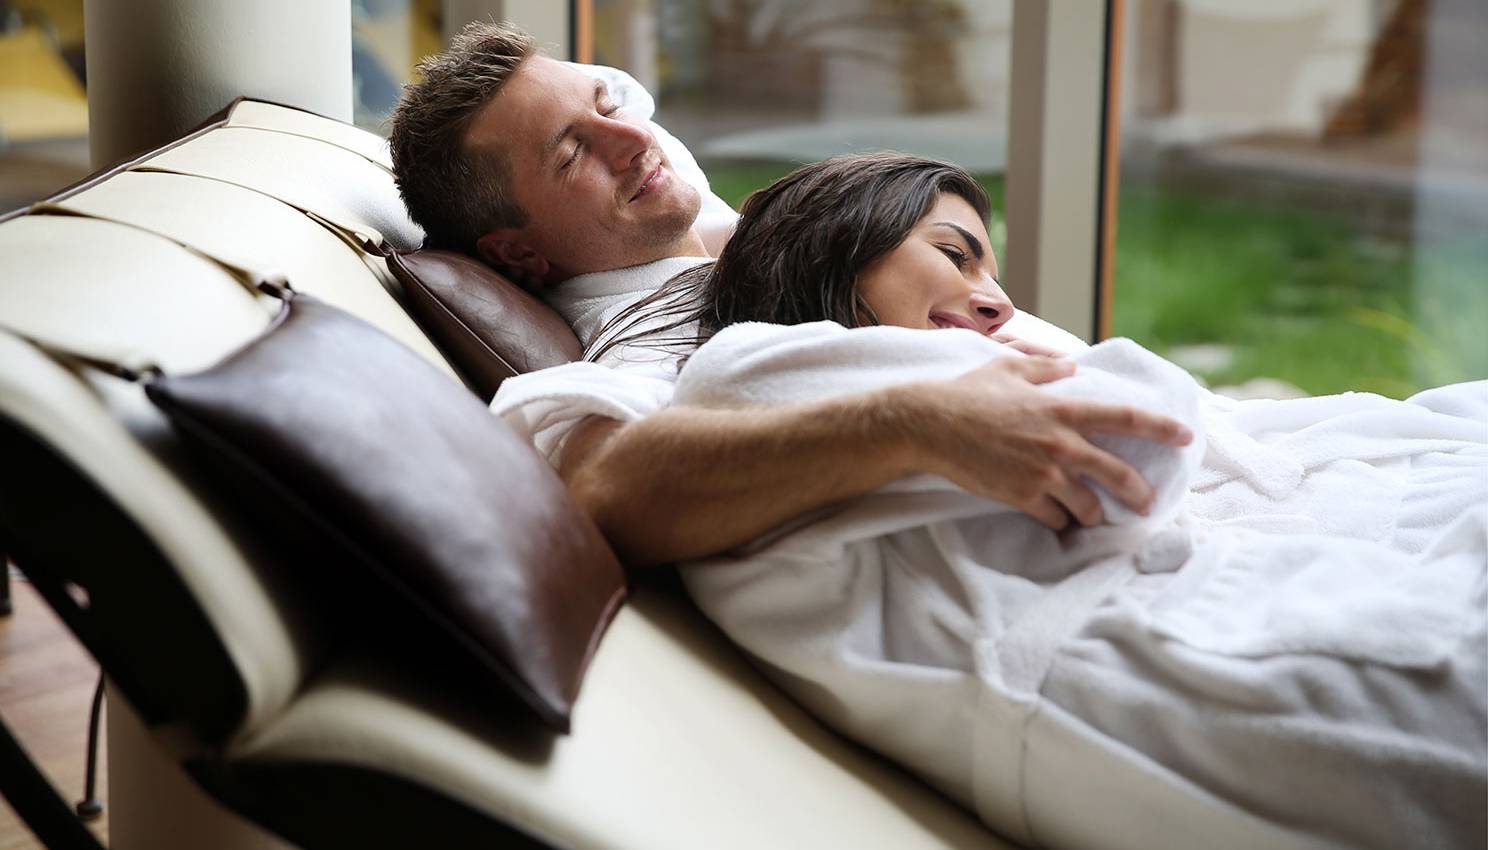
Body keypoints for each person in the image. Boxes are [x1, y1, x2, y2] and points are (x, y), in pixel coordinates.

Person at [598, 151, 1485, 850]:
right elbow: (1133, 442)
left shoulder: (821, 399)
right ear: (830, 249)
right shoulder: (748, 373)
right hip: (1190, 663)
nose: (1000, 305)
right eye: (954, 254)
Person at [387, 21, 1194, 570]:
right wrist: (921, 423)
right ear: (518, 253)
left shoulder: (669, 198)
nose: (636, 141)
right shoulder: (657, 326)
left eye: (608, 106)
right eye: (573, 152)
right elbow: (603, 487)